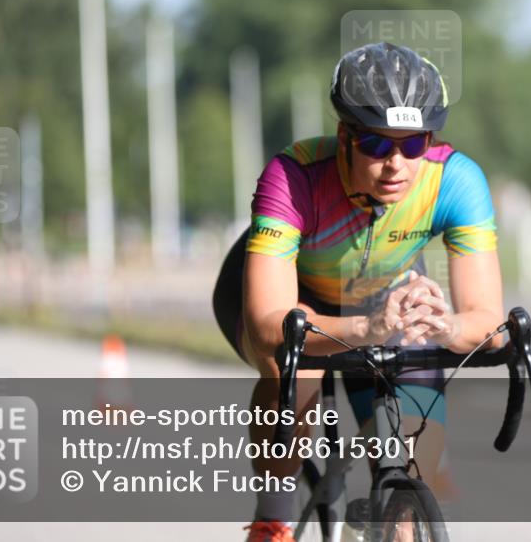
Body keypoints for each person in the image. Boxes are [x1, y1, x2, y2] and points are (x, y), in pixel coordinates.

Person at [212, 42, 504, 542]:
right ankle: (273, 518)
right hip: (293, 302)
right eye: (376, 145)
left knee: (411, 480)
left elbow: (489, 322)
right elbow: (267, 326)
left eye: (413, 145)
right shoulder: (294, 175)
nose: (397, 164)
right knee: (296, 370)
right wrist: (367, 328)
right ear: (344, 135)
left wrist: (449, 326)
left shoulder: (456, 180)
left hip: (383, 302)